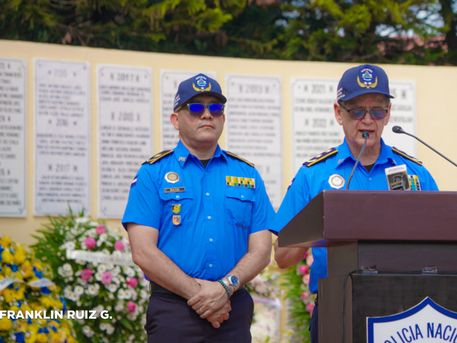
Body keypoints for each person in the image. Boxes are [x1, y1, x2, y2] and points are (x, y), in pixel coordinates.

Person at [270, 64, 439, 343]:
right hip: (337, 308)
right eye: (357, 111)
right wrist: (316, 226)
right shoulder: (313, 176)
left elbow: (440, 242)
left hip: (405, 308)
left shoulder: (415, 173)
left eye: (377, 111)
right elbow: (282, 257)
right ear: (339, 113)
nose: (367, 120)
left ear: (388, 115)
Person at [123, 73, 273, 343]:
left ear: (223, 119)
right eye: (195, 107)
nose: (207, 115)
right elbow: (143, 251)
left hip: (232, 310)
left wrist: (224, 289)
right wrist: (201, 295)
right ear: (175, 120)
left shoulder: (248, 174)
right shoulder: (153, 174)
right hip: (173, 311)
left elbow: (262, 251)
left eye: (215, 108)